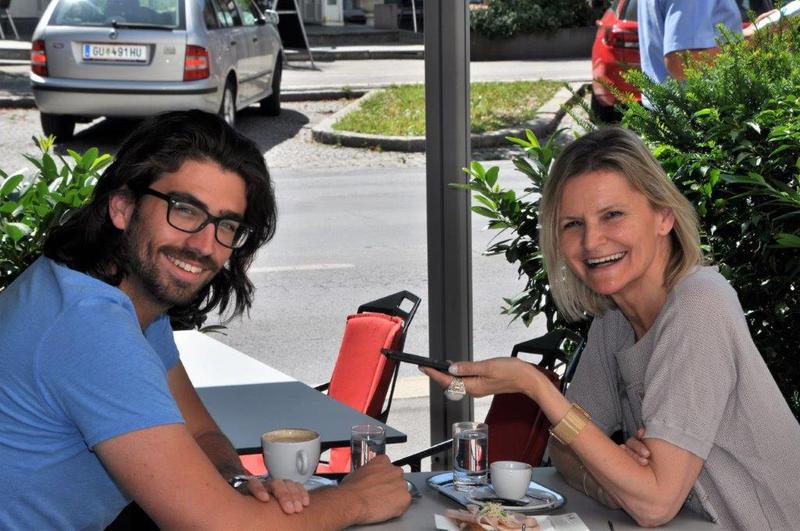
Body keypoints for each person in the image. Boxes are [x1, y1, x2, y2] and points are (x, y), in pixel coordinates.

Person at [0, 110, 410, 529]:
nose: (204, 245)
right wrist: (356, 500)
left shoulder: (116, 297)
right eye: (184, 210)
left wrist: (238, 484)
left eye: (226, 225)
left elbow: (201, 434)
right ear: (122, 207)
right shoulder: (92, 328)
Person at [422, 127, 800, 529]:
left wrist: (535, 387)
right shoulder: (614, 321)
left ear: (664, 216)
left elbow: (654, 504)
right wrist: (612, 483)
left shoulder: (700, 302)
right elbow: (563, 450)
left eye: (612, 215)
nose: (592, 242)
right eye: (572, 224)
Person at [638, 0, 743, 85]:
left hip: (665, 99)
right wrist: (744, 46)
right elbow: (680, 63)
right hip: (694, 102)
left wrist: (745, 36)